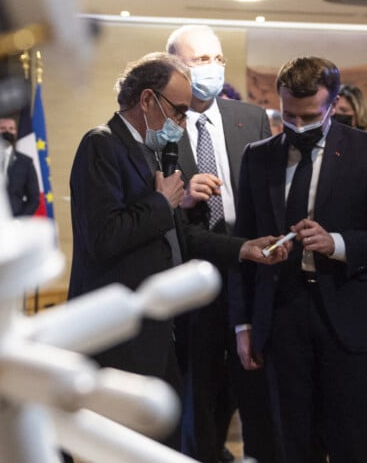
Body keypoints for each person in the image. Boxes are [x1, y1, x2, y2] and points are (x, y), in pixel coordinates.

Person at [68, 51, 288, 450]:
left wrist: (245, 249)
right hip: (120, 332)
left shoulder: (146, 151)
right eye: (180, 111)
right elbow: (103, 239)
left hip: (158, 328)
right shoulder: (101, 145)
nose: (184, 123)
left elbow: (181, 237)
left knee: (164, 442)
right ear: (148, 100)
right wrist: (161, 202)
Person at [231, 56, 367, 463]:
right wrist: (243, 323)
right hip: (282, 316)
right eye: (289, 115)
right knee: (291, 442)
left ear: (333, 104)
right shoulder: (258, 156)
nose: (298, 125)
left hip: (349, 317)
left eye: (310, 116)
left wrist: (338, 243)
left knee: (353, 441)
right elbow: (240, 246)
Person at [166, 24, 275, 463]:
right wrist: (183, 196)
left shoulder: (249, 117)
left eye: (217, 59)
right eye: (199, 60)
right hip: (194, 272)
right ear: (174, 66)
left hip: (249, 268)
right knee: (201, 393)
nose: (211, 68)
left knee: (253, 389)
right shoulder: (160, 127)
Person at [0, 117, 40, 217]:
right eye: (2, 128)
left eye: (11, 129)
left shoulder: (25, 162)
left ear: (16, 132)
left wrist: (20, 221)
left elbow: (34, 199)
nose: (7, 132)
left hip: (15, 222)